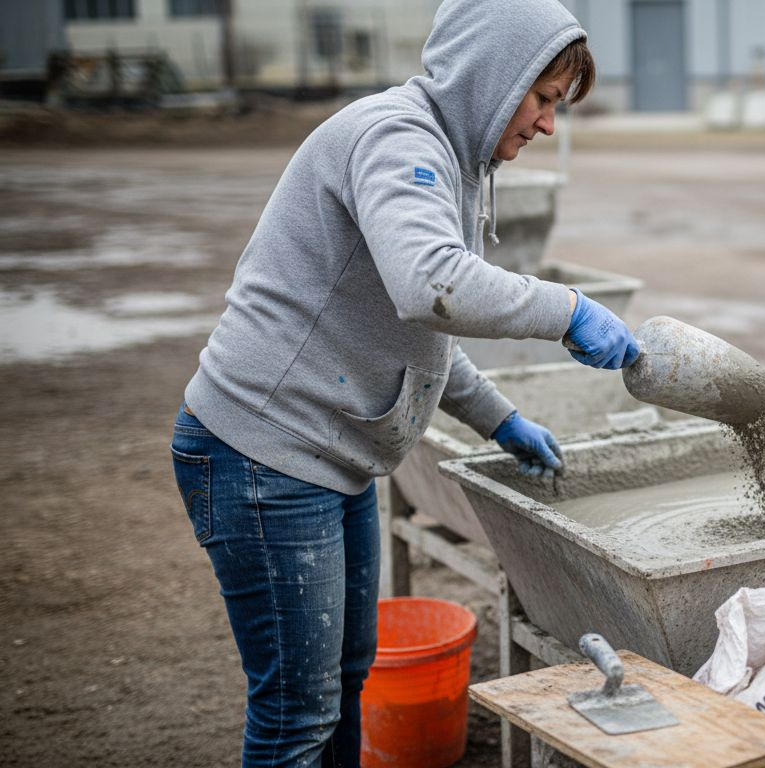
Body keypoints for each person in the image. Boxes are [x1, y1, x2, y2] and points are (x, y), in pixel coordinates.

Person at [169, 1, 637, 764]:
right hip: (263, 455)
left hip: (329, 456)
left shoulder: (452, 159)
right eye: (543, 98)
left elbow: (420, 338)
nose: (549, 125)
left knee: (346, 680)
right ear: (494, 75)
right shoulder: (398, 138)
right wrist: (569, 309)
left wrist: (500, 420)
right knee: (297, 715)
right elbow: (431, 285)